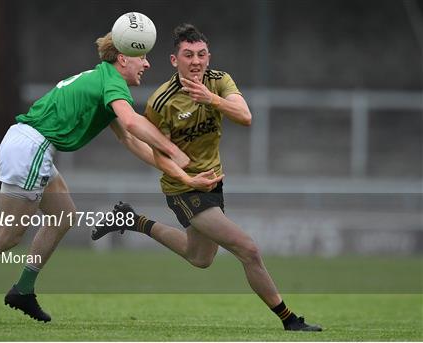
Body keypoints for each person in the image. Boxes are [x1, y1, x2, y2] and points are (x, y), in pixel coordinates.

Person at [0, 31, 190, 324]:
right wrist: (175, 152)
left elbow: (130, 140)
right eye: (142, 57)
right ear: (122, 58)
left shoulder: (104, 79)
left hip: (32, 147)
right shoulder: (112, 82)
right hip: (31, 149)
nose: (147, 64)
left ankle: (23, 290)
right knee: (8, 234)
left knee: (63, 215)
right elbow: (131, 122)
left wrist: (173, 169)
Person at [92, 24, 322, 332]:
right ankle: (289, 319)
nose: (196, 61)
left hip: (213, 183)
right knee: (248, 249)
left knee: (199, 257)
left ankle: (132, 221)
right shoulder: (162, 101)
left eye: (201, 54)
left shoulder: (219, 81)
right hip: (184, 189)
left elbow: (246, 116)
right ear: (175, 60)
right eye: (188, 55)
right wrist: (186, 178)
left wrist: (211, 100)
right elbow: (157, 151)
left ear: (208, 56)